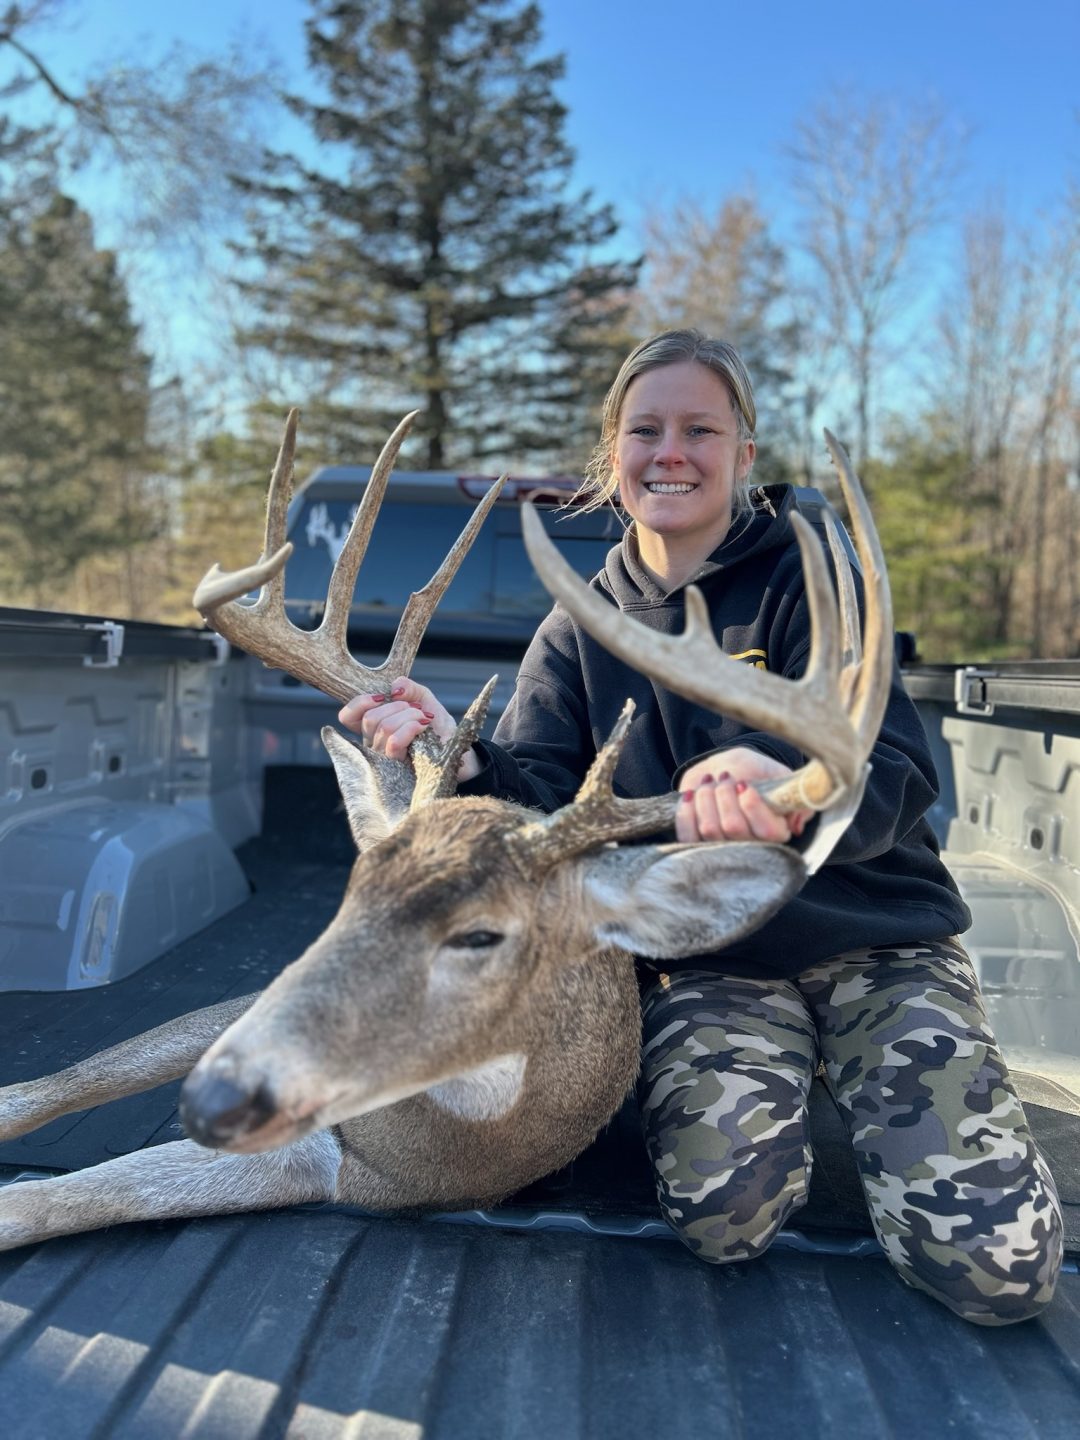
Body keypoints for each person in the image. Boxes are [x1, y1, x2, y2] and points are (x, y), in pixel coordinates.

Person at [338, 328, 1063, 1325]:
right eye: (646, 430)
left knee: (999, 1274)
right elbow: (539, 796)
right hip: (710, 956)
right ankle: (807, 1086)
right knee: (725, 1218)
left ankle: (906, 1092)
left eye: (700, 430)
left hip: (877, 942)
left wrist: (787, 780)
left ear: (743, 453)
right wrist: (458, 758)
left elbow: (899, 776)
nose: (669, 452)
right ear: (614, 452)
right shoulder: (578, 626)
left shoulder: (813, 581)